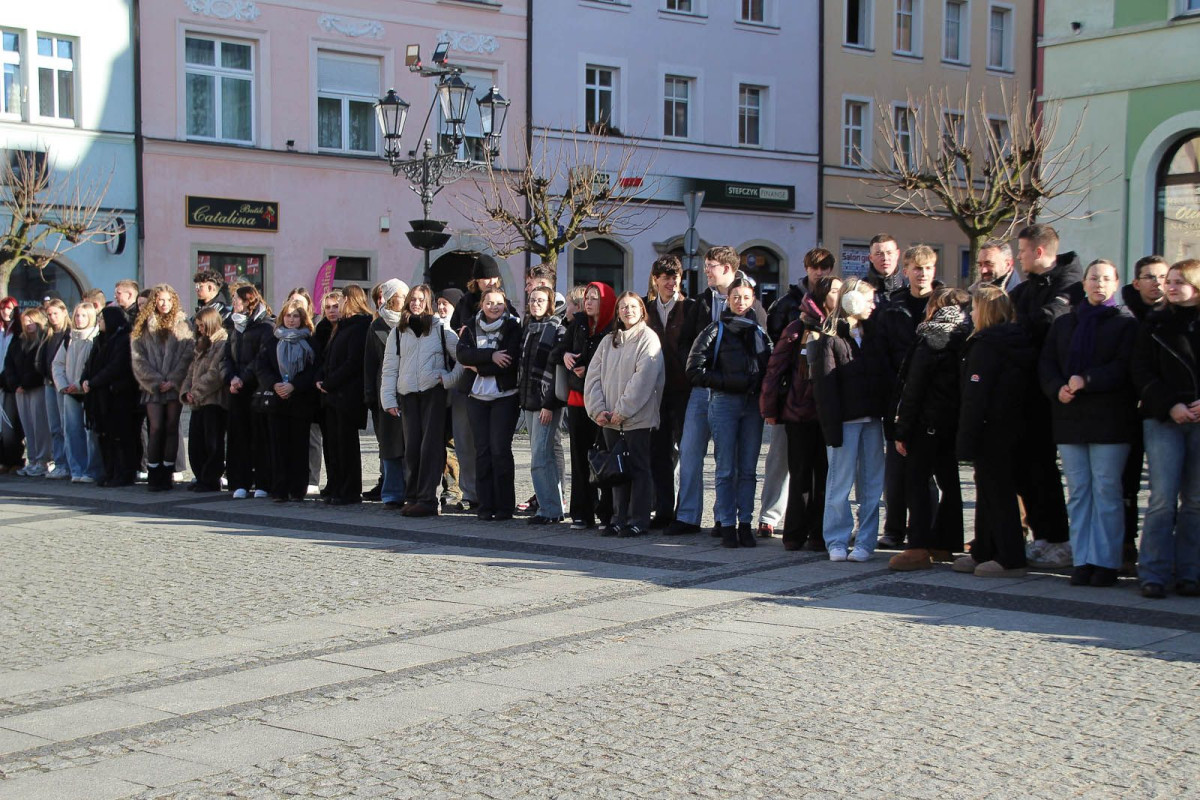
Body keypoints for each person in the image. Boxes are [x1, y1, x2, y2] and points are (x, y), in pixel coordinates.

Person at [1040, 259, 1138, 587]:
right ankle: (1082, 559)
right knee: (1079, 492)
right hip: (1070, 418)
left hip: (1110, 420)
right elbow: (1047, 364)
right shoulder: (1065, 323)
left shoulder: (1125, 323)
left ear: (1116, 284)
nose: (1099, 284)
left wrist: (1088, 380)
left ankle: (1106, 562)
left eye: (1106, 279)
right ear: (1083, 284)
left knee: (1107, 491)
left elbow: (1124, 367)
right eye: (1094, 278)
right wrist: (1057, 387)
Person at [669, 246, 766, 536]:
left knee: (731, 459)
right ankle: (687, 516)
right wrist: (702, 370)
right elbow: (685, 343)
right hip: (703, 389)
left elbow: (762, 350)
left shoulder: (752, 305)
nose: (706, 271)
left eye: (710, 265)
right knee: (690, 451)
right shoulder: (700, 302)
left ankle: (725, 520)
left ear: (727, 268)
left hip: (736, 394)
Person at [1012, 223, 1083, 567]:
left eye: (1022, 251)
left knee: (1044, 467)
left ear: (1039, 251)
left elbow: (1047, 321)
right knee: (1027, 466)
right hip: (1026, 390)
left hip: (1055, 393)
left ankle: (1059, 537)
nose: (1019, 257)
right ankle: (1040, 534)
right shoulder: (1025, 289)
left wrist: (1017, 328)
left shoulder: (1070, 283)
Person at [954, 286, 1036, 577]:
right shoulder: (1016, 340)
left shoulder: (987, 345)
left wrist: (965, 440)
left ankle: (1010, 557)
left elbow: (975, 395)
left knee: (998, 493)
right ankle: (984, 549)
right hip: (1012, 427)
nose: (972, 313)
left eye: (975, 308)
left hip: (992, 429)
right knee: (989, 490)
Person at [1130, 259, 1200, 599]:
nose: (1169, 287)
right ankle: (1153, 572)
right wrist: (1170, 404)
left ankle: (1190, 572)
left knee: (1196, 501)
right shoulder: (1154, 323)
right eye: (1168, 281)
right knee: (1161, 498)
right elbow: (1141, 371)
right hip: (1163, 418)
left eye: (1178, 282)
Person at [888, 288, 972, 570]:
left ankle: (918, 546)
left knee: (916, 483)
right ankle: (945, 543)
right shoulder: (965, 335)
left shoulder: (933, 336)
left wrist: (902, 429)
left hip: (926, 423)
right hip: (951, 422)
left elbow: (914, 387)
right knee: (949, 482)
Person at [686, 278, 773, 547]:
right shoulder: (716, 329)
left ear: (753, 300)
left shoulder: (759, 332)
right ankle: (726, 524)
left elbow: (770, 367)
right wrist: (727, 382)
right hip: (724, 402)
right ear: (728, 299)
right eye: (736, 297)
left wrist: (758, 386)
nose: (740, 302)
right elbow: (694, 369)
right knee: (725, 469)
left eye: (746, 297)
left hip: (751, 406)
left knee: (748, 469)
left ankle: (745, 523)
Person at [808, 277, 888, 562]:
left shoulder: (875, 335)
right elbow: (825, 389)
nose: (873, 305)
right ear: (852, 301)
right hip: (844, 422)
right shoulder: (831, 340)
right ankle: (836, 540)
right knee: (839, 484)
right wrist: (831, 429)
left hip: (872, 420)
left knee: (871, 485)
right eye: (868, 300)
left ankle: (865, 541)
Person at [762, 276, 841, 552]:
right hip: (799, 411)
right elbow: (776, 369)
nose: (839, 295)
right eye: (835, 291)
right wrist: (770, 408)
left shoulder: (841, 326)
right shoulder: (798, 326)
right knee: (800, 475)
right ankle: (794, 534)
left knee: (825, 475)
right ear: (822, 295)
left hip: (829, 413)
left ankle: (819, 533)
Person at [877, 244, 944, 549]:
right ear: (905, 271)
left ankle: (927, 530)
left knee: (926, 470)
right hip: (898, 397)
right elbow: (883, 352)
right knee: (895, 470)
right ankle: (893, 529)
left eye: (927, 268)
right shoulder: (894, 306)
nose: (922, 274)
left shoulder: (945, 304)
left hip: (932, 400)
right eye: (917, 268)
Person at [584, 291, 665, 537]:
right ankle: (618, 518)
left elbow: (643, 380)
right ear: (617, 312)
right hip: (609, 419)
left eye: (633, 306)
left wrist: (622, 411)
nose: (628, 311)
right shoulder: (608, 341)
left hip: (637, 419)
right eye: (623, 307)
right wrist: (597, 410)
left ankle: (638, 520)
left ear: (642, 310)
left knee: (639, 469)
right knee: (616, 471)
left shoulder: (648, 339)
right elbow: (593, 377)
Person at [380, 284, 461, 517]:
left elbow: (462, 359)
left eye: (421, 300)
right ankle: (413, 496)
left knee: (430, 448)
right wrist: (388, 399)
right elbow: (389, 368)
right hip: (407, 395)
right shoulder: (398, 332)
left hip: (433, 393)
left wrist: (448, 379)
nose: (416, 303)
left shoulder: (441, 329)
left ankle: (427, 499)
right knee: (412, 448)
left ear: (429, 303)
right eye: (413, 299)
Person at [1118, 254, 1169, 568]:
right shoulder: (1124, 316)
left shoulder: (1175, 313)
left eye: (1163, 277)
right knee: (1127, 482)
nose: (1158, 284)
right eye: (1150, 277)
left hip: (1167, 410)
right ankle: (1125, 545)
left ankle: (1164, 551)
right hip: (1127, 410)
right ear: (1136, 283)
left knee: (1166, 487)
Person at [553, 281, 617, 530]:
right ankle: (582, 511)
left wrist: (588, 369)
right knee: (580, 457)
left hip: (604, 399)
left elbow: (614, 362)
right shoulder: (578, 323)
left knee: (604, 455)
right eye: (587, 298)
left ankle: (607, 511)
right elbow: (556, 351)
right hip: (578, 398)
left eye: (594, 298)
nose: (588, 302)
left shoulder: (614, 327)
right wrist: (566, 355)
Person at [643, 255, 701, 528]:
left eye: (675, 277)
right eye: (666, 278)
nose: (671, 283)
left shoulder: (690, 308)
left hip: (683, 389)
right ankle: (664, 510)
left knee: (688, 451)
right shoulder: (645, 309)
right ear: (655, 280)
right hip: (655, 391)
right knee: (659, 452)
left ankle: (686, 513)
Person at [457, 288, 523, 521]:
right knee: (482, 451)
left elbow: (508, 361)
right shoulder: (470, 326)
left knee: (500, 449)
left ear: (505, 304)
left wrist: (478, 365)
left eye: (498, 303)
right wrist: (491, 356)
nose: (494, 307)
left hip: (505, 396)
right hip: (476, 398)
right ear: (481, 305)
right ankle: (485, 506)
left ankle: (504, 506)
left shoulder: (513, 326)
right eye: (489, 302)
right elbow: (462, 355)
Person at [131, 284, 195, 491]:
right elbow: (138, 358)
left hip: (174, 385)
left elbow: (188, 354)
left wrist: (174, 380)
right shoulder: (143, 325)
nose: (164, 304)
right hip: (153, 387)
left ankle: (168, 472)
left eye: (168, 300)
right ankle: (154, 471)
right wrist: (155, 380)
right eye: (160, 300)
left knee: (171, 427)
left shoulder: (183, 323)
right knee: (156, 427)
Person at [256, 299, 320, 503]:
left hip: (300, 400)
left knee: (299, 446)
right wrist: (275, 384)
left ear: (302, 319)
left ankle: (297, 489)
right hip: (277, 400)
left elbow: (314, 370)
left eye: (295, 316)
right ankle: (279, 489)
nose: (291, 320)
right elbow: (262, 367)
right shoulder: (273, 340)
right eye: (288, 316)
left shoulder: (310, 341)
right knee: (278, 446)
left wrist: (294, 385)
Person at [315, 284, 372, 506]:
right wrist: (322, 379)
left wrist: (329, 383)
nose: (337, 306)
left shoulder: (359, 326)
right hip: (333, 396)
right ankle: (337, 487)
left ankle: (349, 491)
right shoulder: (342, 326)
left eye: (340, 301)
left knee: (347, 446)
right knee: (335, 446)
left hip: (347, 396)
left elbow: (352, 362)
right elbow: (329, 357)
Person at [518, 285, 567, 524]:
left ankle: (549, 509)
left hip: (546, 404)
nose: (535, 304)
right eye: (532, 300)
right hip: (529, 401)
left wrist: (549, 404)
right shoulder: (529, 329)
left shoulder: (557, 330)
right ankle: (552, 508)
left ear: (550, 304)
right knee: (540, 456)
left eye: (540, 300)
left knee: (541, 457)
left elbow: (556, 373)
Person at [225, 284, 274, 498]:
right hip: (236, 390)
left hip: (256, 388)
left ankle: (263, 482)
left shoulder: (265, 327)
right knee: (239, 437)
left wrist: (243, 378)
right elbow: (226, 357)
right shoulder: (234, 327)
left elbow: (260, 358)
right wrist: (231, 378)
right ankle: (240, 482)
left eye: (236, 299)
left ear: (247, 301)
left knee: (259, 437)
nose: (233, 303)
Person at [82, 306, 139, 487]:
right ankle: (110, 471)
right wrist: (85, 379)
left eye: (102, 319)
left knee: (120, 436)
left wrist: (93, 382)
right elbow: (90, 364)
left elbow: (116, 367)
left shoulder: (123, 340)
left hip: (118, 395)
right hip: (101, 397)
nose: (99, 322)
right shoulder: (100, 340)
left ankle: (123, 473)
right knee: (105, 437)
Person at [364, 280, 409, 508]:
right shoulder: (377, 326)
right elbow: (370, 362)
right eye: (401, 296)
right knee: (389, 444)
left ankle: (413, 489)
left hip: (409, 390)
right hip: (386, 391)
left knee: (410, 443)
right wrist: (370, 395)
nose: (406, 300)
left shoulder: (413, 322)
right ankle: (392, 493)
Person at [52, 302, 103, 483]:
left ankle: (92, 470)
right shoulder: (69, 338)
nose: (80, 319)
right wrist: (63, 385)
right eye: (77, 315)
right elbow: (57, 364)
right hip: (70, 393)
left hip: (88, 391)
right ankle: (77, 469)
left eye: (84, 315)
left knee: (90, 433)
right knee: (72, 432)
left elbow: (93, 366)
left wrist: (78, 384)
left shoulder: (95, 338)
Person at [180, 308, 229, 492]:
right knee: (196, 443)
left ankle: (211, 479)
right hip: (197, 402)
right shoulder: (201, 343)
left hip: (213, 401)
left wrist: (197, 392)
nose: (200, 329)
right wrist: (186, 392)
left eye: (202, 325)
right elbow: (190, 372)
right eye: (198, 326)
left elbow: (215, 374)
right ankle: (200, 476)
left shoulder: (221, 342)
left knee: (212, 443)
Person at [436, 287, 474, 511]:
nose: (441, 307)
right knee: (443, 443)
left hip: (457, 393)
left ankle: (454, 489)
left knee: (455, 444)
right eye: (439, 303)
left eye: (446, 303)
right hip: (439, 396)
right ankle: (448, 487)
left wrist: (449, 379)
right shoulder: (435, 327)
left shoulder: (457, 331)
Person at [286, 287, 324, 495]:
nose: (296, 306)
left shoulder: (313, 332)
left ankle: (312, 478)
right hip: (287, 393)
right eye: (293, 301)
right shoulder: (281, 333)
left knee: (312, 438)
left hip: (309, 392)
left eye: (300, 302)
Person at [5, 308, 51, 476]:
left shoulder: (44, 340)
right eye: (25, 321)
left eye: (31, 321)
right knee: (27, 425)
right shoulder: (18, 342)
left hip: (36, 387)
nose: (28, 324)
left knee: (40, 425)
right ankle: (32, 459)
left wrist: (27, 383)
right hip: (20, 390)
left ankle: (43, 460)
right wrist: (15, 384)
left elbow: (41, 366)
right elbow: (9, 365)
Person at [38, 299, 70, 478]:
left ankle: (68, 464)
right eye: (49, 314)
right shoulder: (47, 334)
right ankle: (59, 463)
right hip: (49, 383)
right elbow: (42, 359)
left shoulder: (69, 333)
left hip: (63, 384)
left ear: (64, 312)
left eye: (55, 313)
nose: (52, 317)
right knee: (55, 427)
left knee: (66, 426)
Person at [0, 296, 23, 473]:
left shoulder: (18, 333)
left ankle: (14, 459)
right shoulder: (2, 331)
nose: (6, 312)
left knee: (11, 424)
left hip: (9, 383)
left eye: (9, 308)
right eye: (3, 309)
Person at [863, 233, 904, 307]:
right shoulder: (860, 291)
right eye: (879, 254)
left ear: (897, 254)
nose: (885, 258)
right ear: (871, 258)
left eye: (889, 253)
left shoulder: (909, 289)